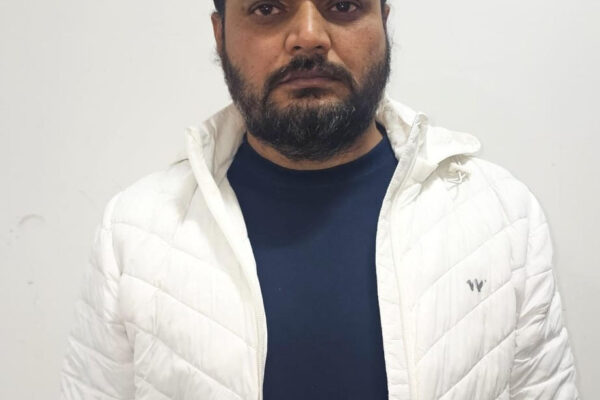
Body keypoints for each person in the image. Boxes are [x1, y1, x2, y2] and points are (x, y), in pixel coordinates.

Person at [59, 0, 580, 399]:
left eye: (343, 5)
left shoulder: (500, 217)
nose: (308, 36)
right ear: (220, 35)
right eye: (268, 8)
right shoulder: (134, 233)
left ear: (384, 21)